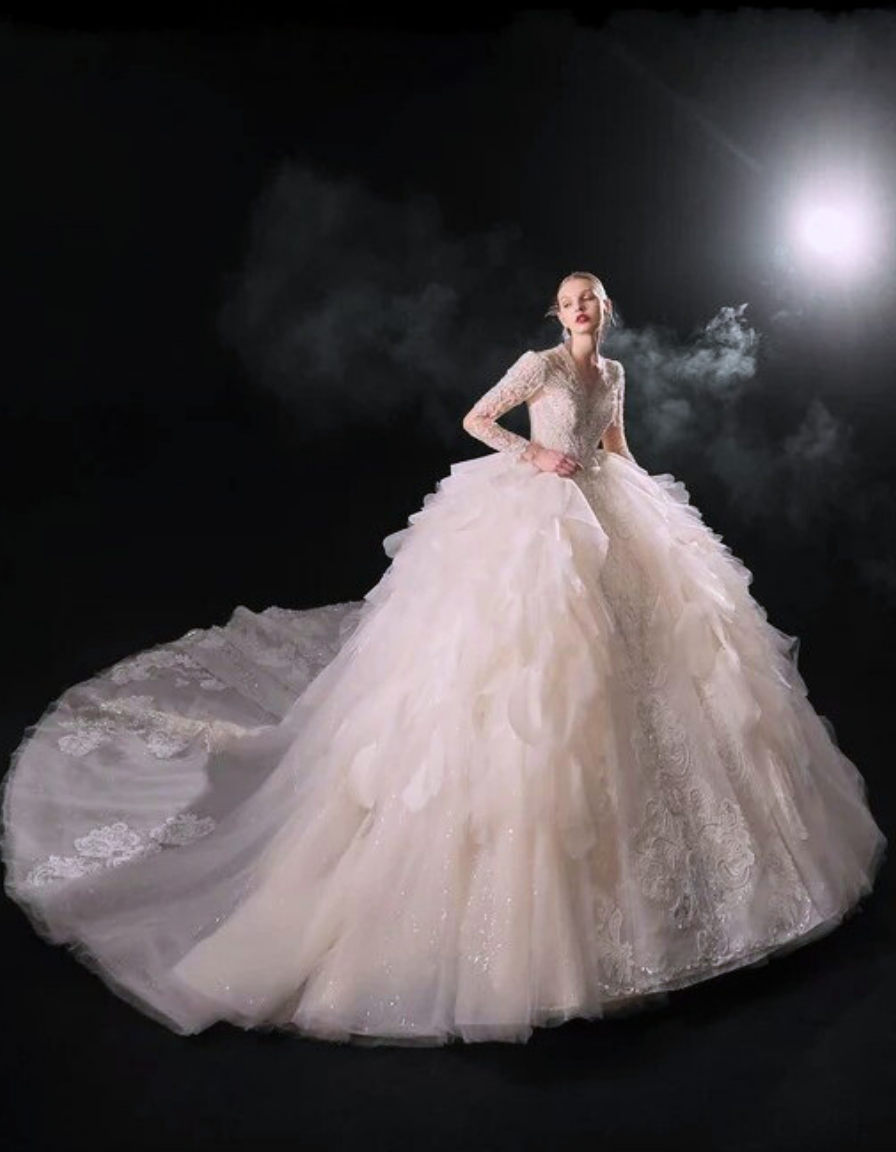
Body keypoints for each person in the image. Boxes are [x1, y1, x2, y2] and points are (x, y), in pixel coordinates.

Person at [1, 272, 886, 1047]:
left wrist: (644, 492)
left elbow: (615, 445)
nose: (581, 311)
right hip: (537, 515)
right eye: (570, 301)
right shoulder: (537, 367)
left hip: (606, 506)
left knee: (660, 670)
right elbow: (477, 419)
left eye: (591, 301)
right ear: (558, 311)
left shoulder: (612, 371)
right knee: (528, 672)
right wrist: (529, 452)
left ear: (605, 312)